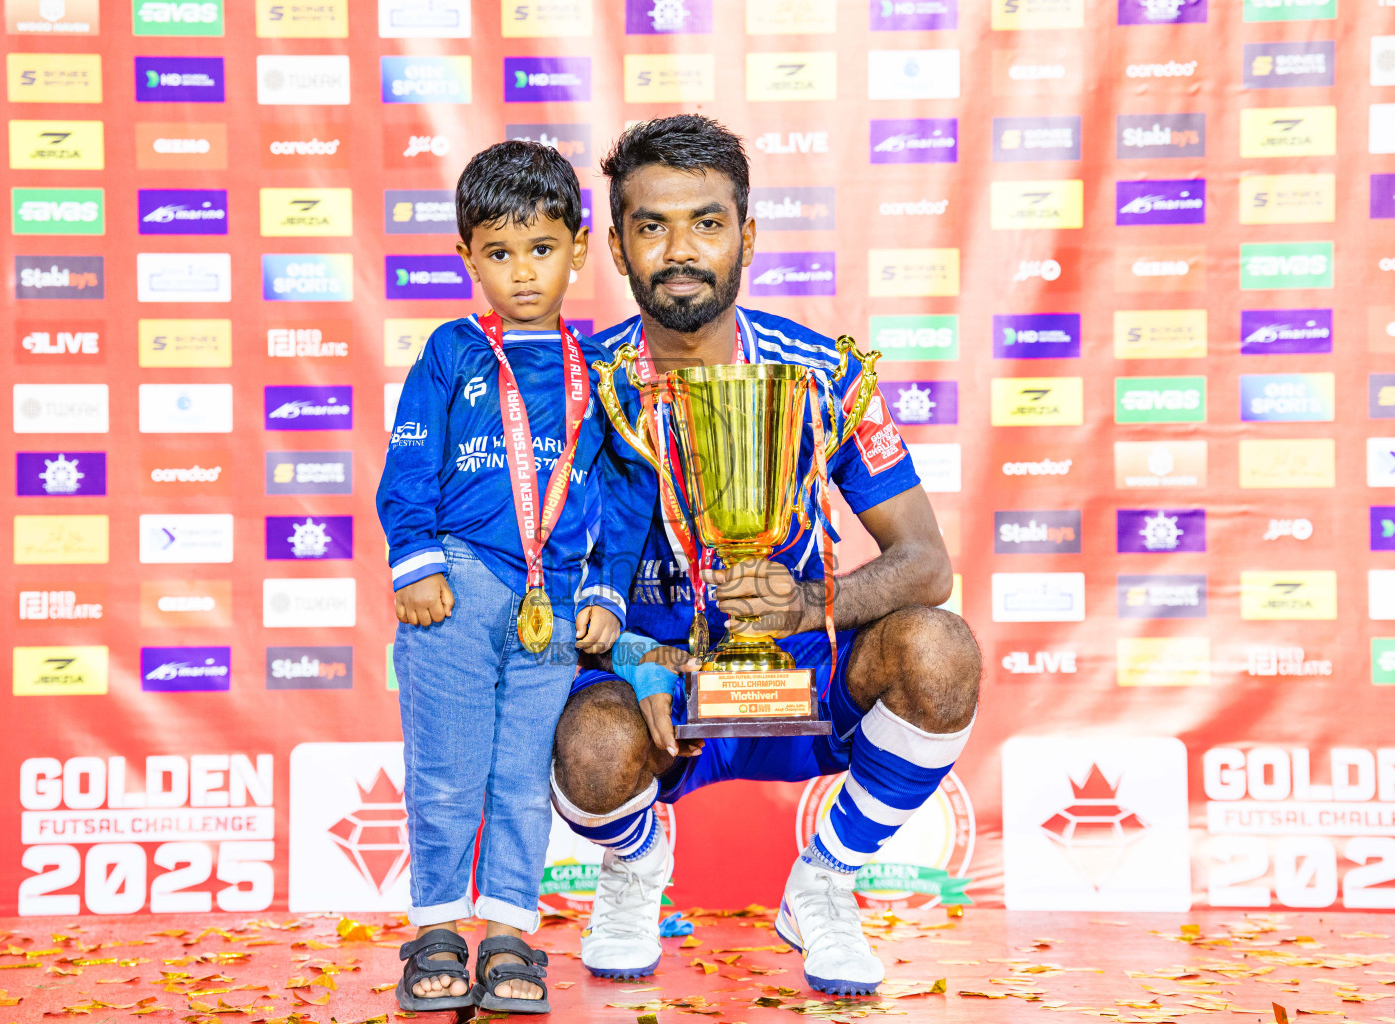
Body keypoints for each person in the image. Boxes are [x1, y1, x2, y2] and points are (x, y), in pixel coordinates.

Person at [548, 116, 982, 996]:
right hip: (653, 697)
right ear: (618, 245)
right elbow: (537, 589)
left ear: (745, 237)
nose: (679, 250)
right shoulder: (574, 384)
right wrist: (633, 660)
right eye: (651, 225)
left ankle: (823, 884)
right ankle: (633, 870)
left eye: (706, 223)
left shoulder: (822, 372)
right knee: (587, 746)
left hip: (803, 682)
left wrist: (803, 605)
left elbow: (924, 564)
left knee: (939, 650)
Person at [377, 140, 653, 1015]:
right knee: (446, 770)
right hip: (455, 588)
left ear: (578, 246)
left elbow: (624, 490)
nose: (522, 272)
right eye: (498, 253)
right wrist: (416, 561)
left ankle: (507, 934)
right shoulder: (452, 351)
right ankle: (434, 931)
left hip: (558, 600)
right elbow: (407, 464)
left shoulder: (598, 366)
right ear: (466, 258)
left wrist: (606, 591)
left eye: (540, 249)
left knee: (521, 775)